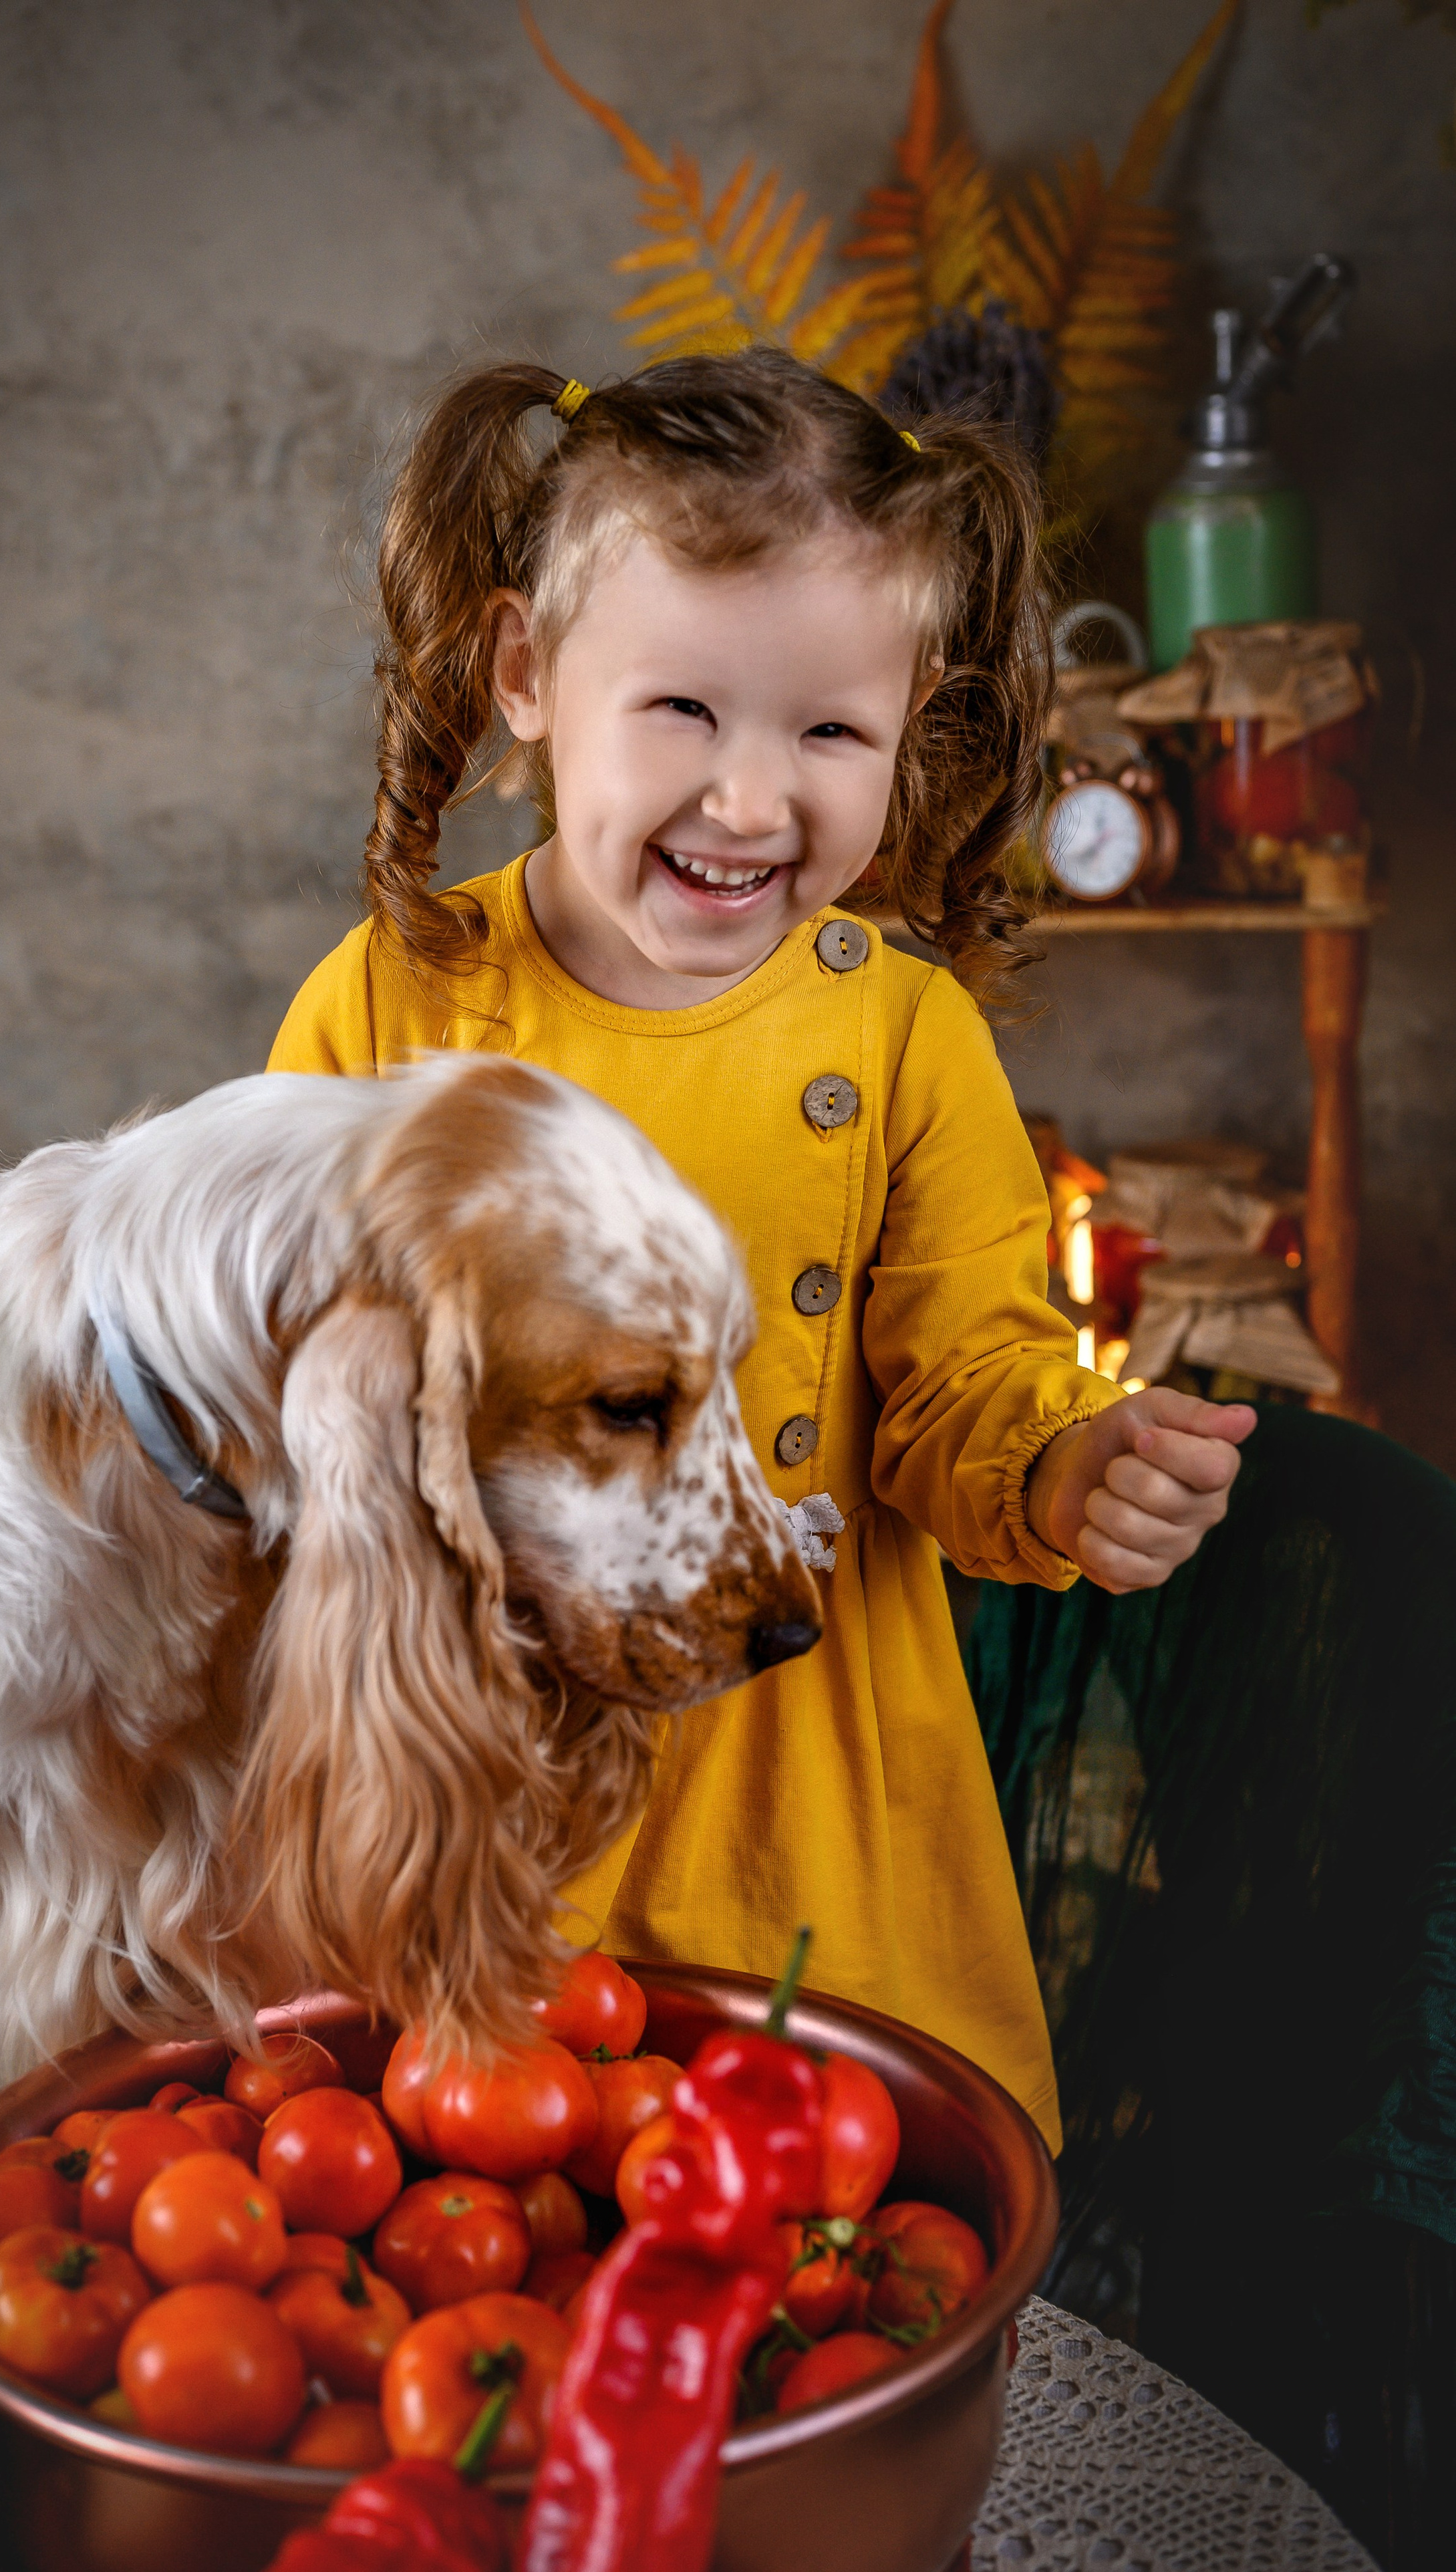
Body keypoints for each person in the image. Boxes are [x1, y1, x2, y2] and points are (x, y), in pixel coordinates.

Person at [268, 351, 1253, 2149]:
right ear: (525, 674)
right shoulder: (391, 1009)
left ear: (913, 725)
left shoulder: (905, 1038)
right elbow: (270, 1387)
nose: (747, 800)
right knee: (471, 2225)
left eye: (828, 733)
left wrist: (1065, 1462)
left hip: (808, 1808)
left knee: (838, 2248)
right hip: (474, 1794)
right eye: (683, 710)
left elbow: (968, 1383)